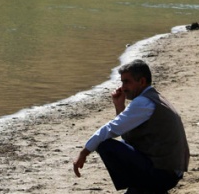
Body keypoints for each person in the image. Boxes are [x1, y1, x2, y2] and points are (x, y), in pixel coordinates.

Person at [73, 59, 189, 194]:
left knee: (105, 144)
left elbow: (111, 129)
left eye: (127, 82)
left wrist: (83, 153)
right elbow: (128, 135)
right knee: (120, 143)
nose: (123, 87)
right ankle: (140, 188)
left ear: (142, 81)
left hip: (164, 174)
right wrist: (119, 106)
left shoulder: (144, 102)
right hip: (170, 170)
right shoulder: (153, 98)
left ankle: (139, 187)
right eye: (122, 82)